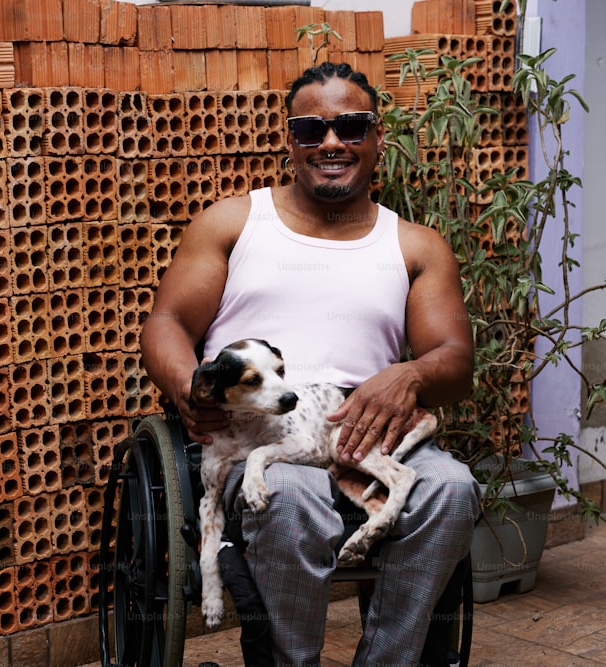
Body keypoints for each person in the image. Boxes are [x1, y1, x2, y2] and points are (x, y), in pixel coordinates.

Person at [140, 61, 479, 667]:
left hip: (373, 429)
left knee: (452, 488)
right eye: (310, 129)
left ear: (378, 139)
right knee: (289, 498)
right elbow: (166, 324)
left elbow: (454, 361)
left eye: (351, 126)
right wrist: (191, 388)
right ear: (288, 139)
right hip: (263, 432)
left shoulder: (416, 245)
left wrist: (411, 374)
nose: (331, 143)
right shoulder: (233, 223)